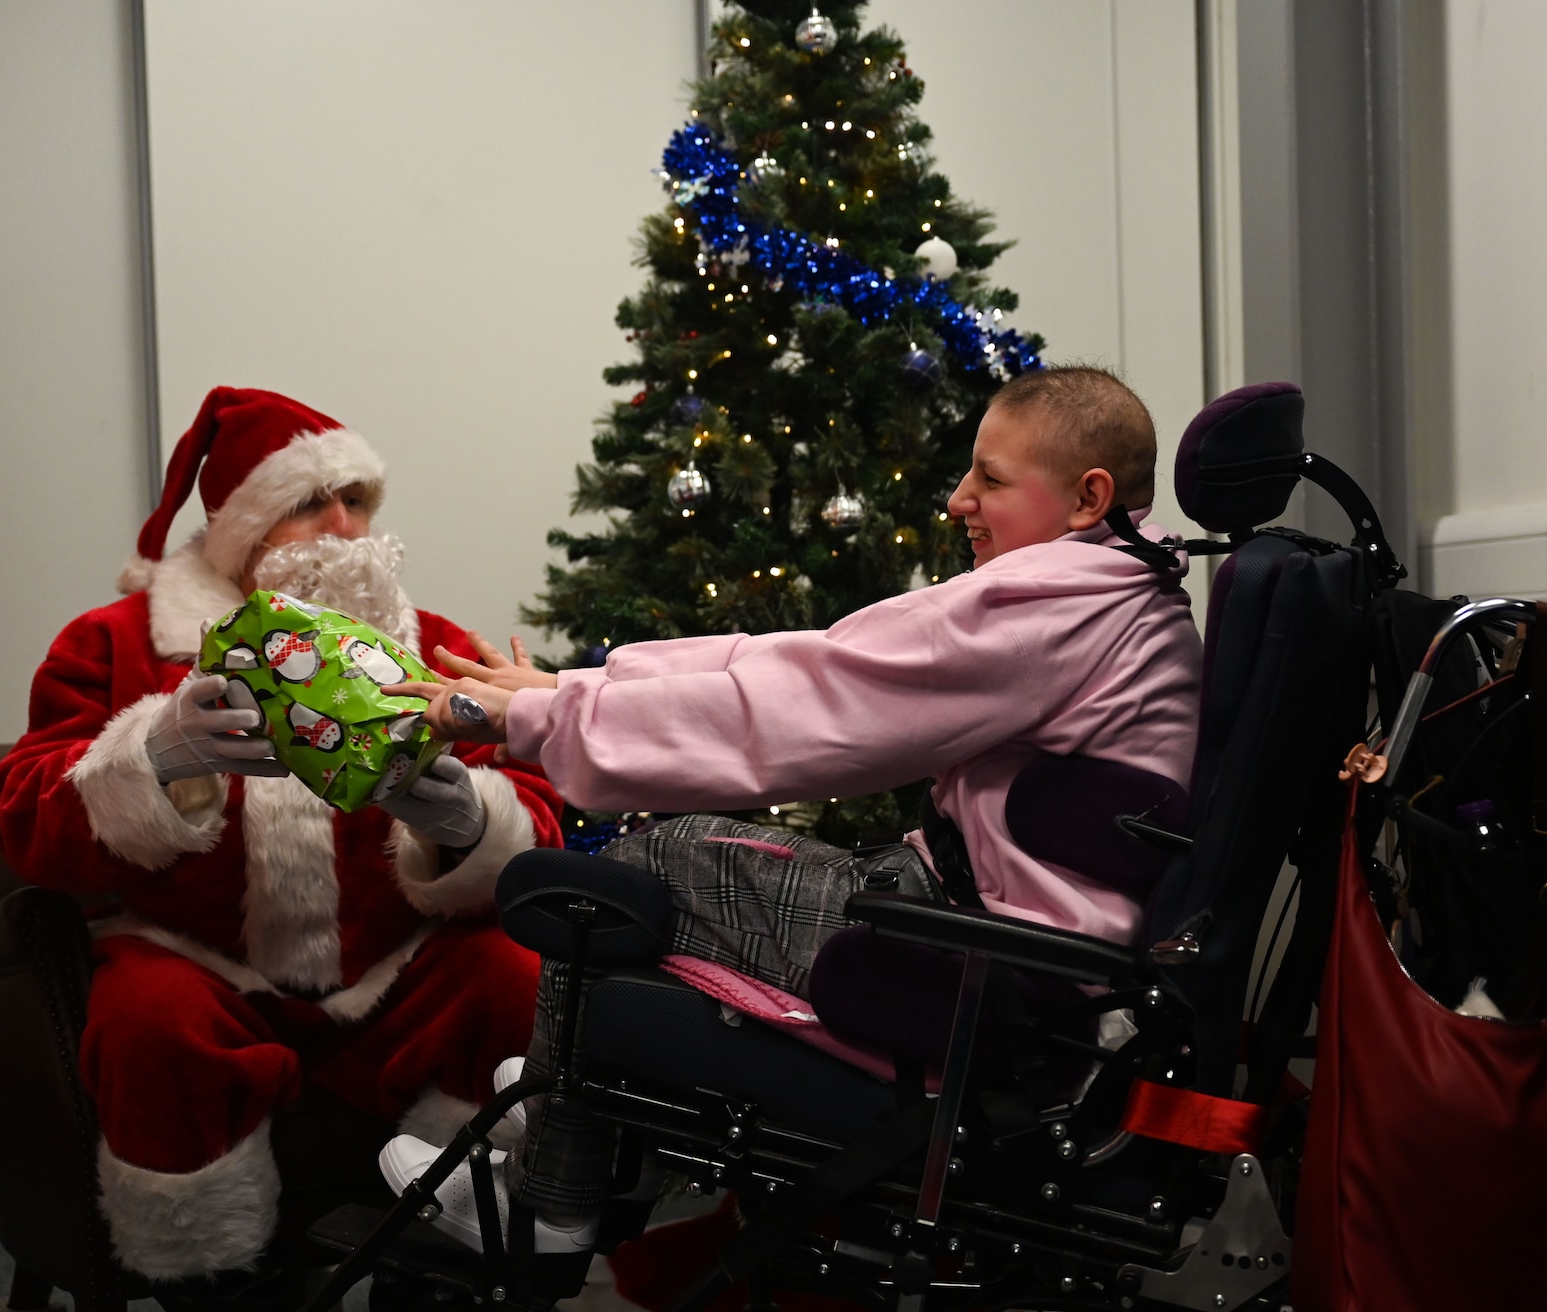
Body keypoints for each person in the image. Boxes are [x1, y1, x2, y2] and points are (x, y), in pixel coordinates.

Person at [379, 366, 1203, 1252]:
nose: (960, 498)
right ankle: (571, 1121)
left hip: (989, 961)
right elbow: (818, 658)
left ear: (1089, 498)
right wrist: (576, 688)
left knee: (619, 880)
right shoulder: (1112, 586)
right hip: (989, 928)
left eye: (992, 480)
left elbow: (810, 706)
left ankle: (550, 1205)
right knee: (660, 857)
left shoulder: (1055, 608)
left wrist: (542, 715)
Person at [0, 387, 560, 1312]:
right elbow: (21, 817)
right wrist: (154, 758)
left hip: (392, 977)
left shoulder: (439, 651)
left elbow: (536, 817)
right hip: (207, 971)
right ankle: (231, 1293)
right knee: (146, 1018)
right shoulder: (115, 645)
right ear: (238, 530)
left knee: (509, 976)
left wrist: (469, 821)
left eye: (358, 500)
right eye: (308, 503)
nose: (342, 527)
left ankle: (453, 1273)